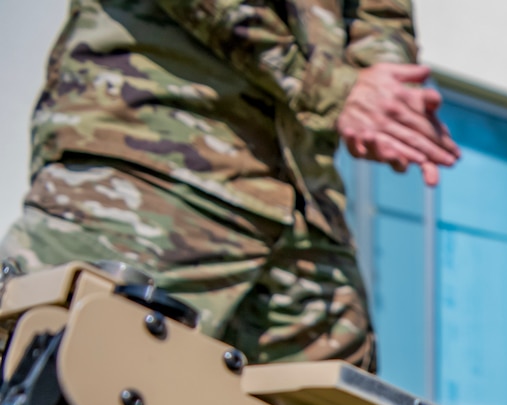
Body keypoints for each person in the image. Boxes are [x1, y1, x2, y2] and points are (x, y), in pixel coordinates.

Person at [0, 0, 459, 369]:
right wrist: (331, 89)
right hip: (152, 171)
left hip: (302, 206)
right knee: (55, 404)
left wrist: (384, 84)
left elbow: (380, 13)